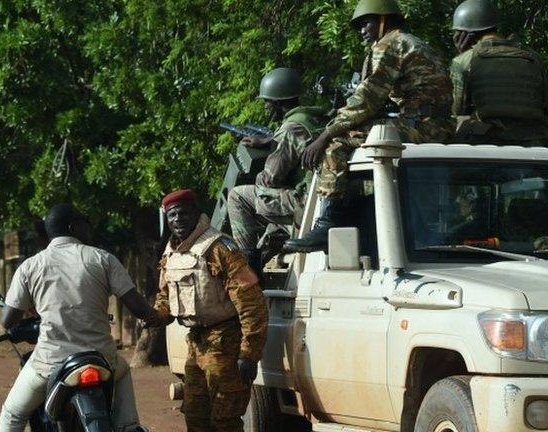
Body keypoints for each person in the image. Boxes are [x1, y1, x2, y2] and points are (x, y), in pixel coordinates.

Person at [284, 0, 453, 253]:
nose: (363, 30)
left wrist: (326, 133)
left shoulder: (390, 44)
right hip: (436, 125)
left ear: (383, 20)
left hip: (420, 126)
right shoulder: (414, 42)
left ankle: (328, 224)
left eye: (367, 23)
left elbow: (368, 98)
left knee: (335, 144)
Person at [0, 203, 160, 432]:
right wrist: (158, 316)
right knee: (122, 370)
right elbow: (139, 308)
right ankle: (129, 426)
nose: (89, 228)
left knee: (12, 414)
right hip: (102, 359)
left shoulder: (30, 266)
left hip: (50, 361)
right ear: (73, 227)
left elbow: (8, 321)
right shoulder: (103, 259)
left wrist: (30, 309)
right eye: (85, 222)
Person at [151, 189, 268, 432]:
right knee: (195, 417)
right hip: (196, 345)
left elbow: (251, 304)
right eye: (172, 215)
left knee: (225, 420)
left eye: (183, 213)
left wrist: (248, 355)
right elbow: (166, 298)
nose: (178, 220)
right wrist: (153, 316)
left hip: (225, 343)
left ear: (196, 213)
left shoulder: (220, 248)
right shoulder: (171, 252)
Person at [227, 68, 327, 270]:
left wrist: (260, 171)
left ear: (279, 103)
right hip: (322, 199)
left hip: (306, 203)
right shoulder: (313, 119)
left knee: (238, 196)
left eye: (267, 102)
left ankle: (246, 268)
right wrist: (270, 141)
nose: (265, 107)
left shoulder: (290, 128)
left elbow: (271, 178)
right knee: (272, 222)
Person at [450, 0, 548, 145]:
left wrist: (462, 56)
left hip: (483, 139)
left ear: (465, 34)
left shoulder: (464, 61)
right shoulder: (533, 57)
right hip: (534, 138)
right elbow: (546, 109)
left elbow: (457, 110)